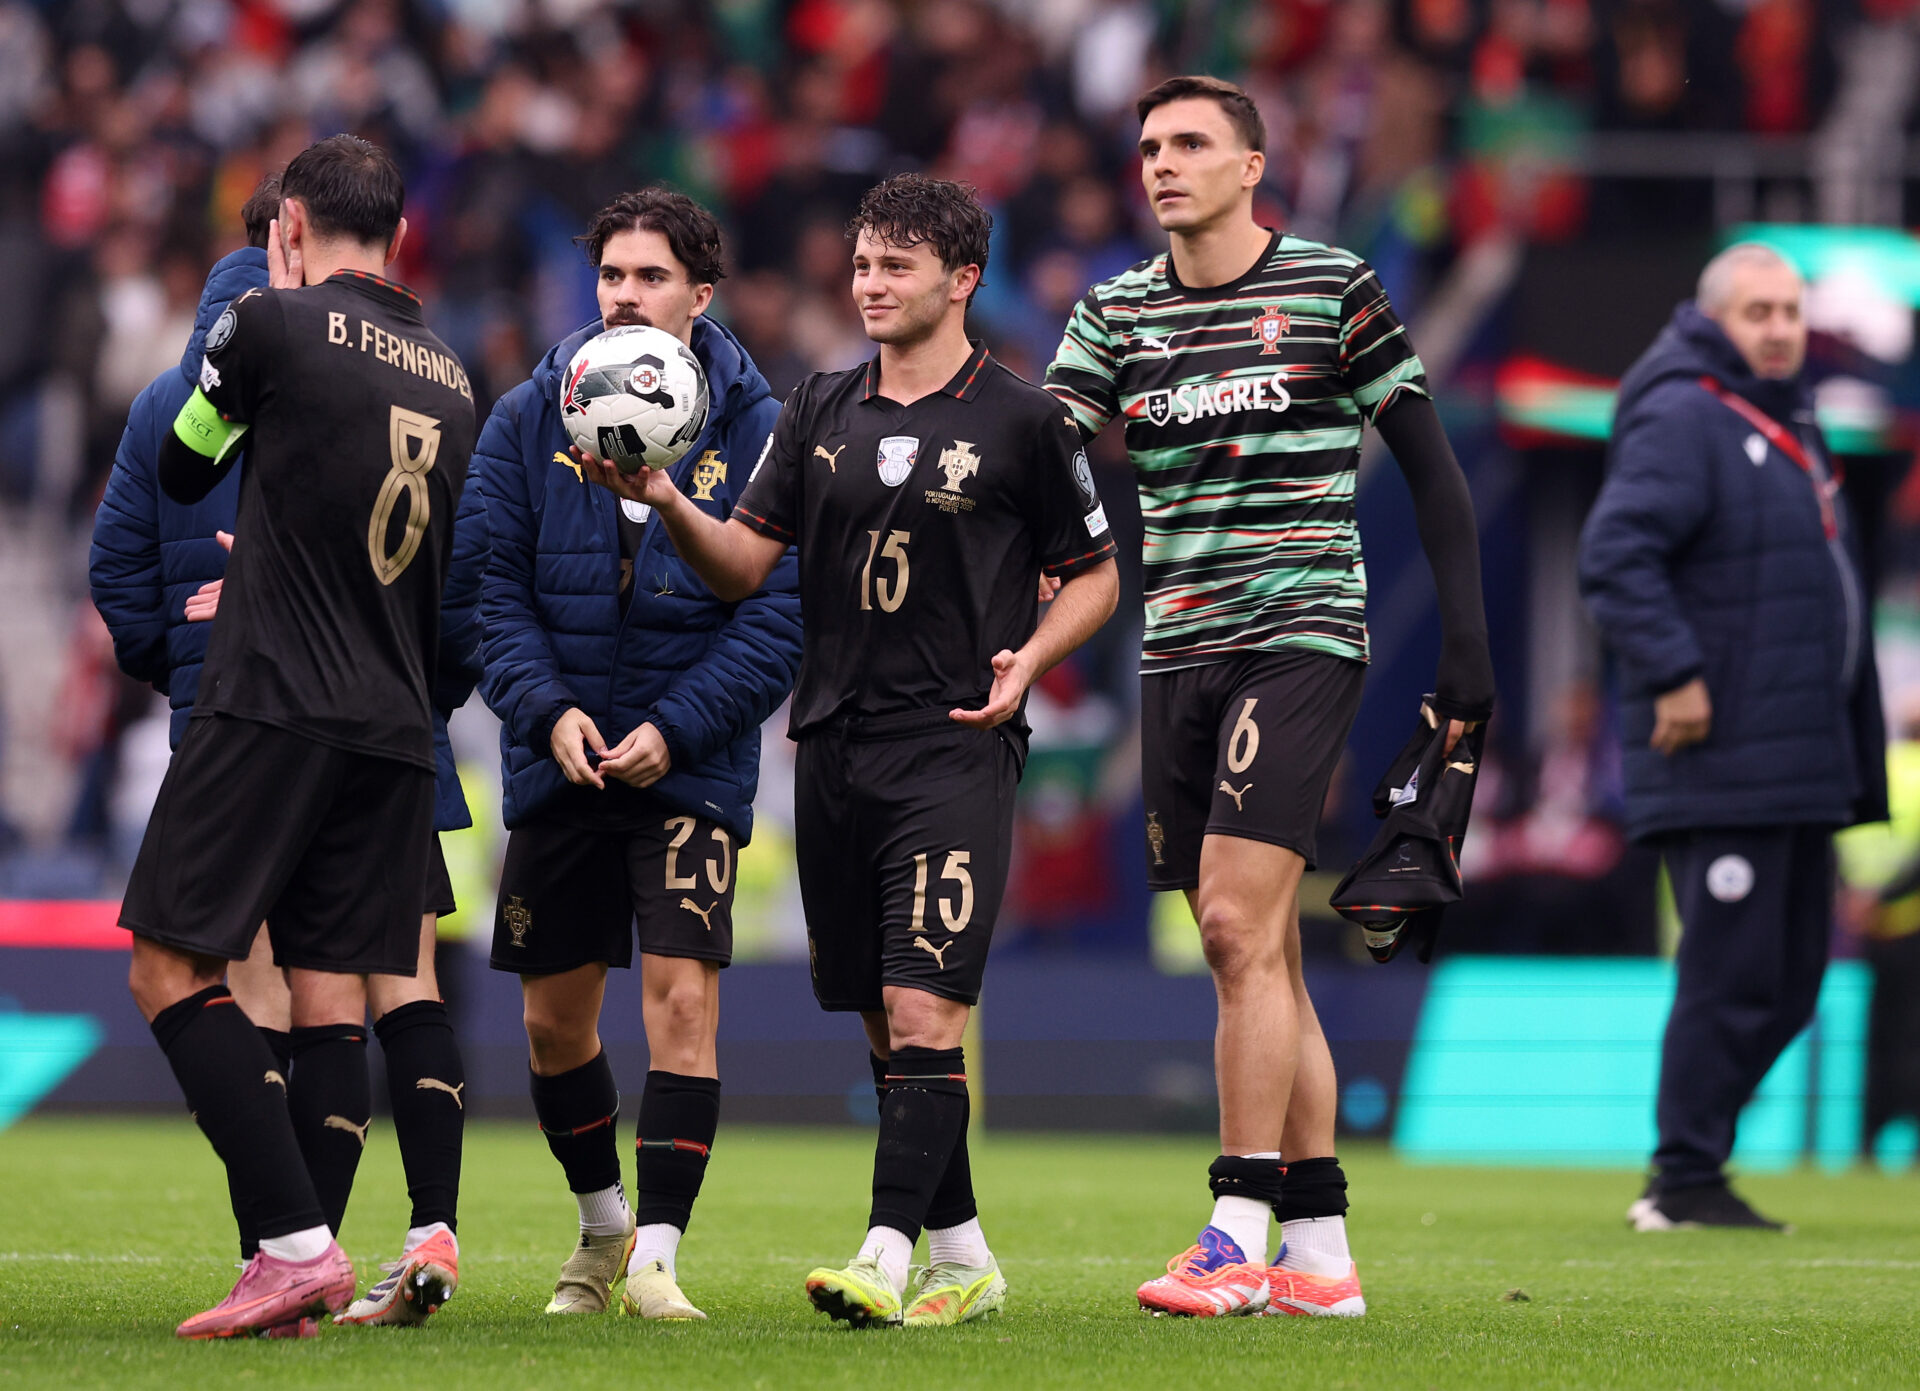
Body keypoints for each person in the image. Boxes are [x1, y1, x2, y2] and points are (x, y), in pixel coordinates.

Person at [571, 173, 1120, 1328]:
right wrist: (668, 498)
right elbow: (743, 565)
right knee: (883, 1018)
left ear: (962, 279)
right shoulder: (819, 405)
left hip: (955, 746)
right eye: (862, 265)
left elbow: (1099, 574)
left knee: (926, 1014)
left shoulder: (1026, 419)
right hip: (830, 747)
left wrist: (1030, 656)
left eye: (896, 267)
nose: (870, 285)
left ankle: (883, 1248)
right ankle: (964, 1252)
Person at [1045, 75, 1494, 1318]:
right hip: (1176, 650)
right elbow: (1045, 452)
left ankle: (1234, 1220)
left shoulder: (1331, 285)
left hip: (1301, 635)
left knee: (1240, 929)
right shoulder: (1113, 311)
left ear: (1253, 165)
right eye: (1148, 147)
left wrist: (1469, 649)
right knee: (1264, 955)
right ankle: (1323, 1252)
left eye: (1191, 143)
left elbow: (1434, 467)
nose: (1162, 163)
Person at [89, 172, 484, 1333]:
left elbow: (185, 458)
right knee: (330, 1000)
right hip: (396, 726)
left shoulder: (267, 322)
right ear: (402, 235)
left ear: (287, 230)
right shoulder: (454, 376)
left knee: (167, 966)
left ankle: (295, 1247)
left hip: (269, 699)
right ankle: (300, 1277)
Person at [473, 187, 801, 1321]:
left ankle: (658, 1253)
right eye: (613, 274)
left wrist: (679, 728)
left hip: (687, 764)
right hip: (559, 756)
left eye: (651, 276)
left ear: (700, 296)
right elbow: (488, 587)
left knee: (681, 1006)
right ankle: (603, 1222)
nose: (625, 293)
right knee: (551, 1021)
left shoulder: (761, 429)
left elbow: (776, 617)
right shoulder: (526, 415)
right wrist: (545, 709)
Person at [1579, 242, 1887, 1230]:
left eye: (1791, 311)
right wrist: (1675, 672)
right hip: (1724, 760)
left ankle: (1694, 1156)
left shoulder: (1785, 420)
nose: (1780, 328)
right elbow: (1616, 554)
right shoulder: (1686, 414)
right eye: (1759, 311)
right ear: (1713, 317)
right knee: (1729, 972)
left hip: (1798, 756)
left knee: (1791, 982)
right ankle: (1683, 1175)